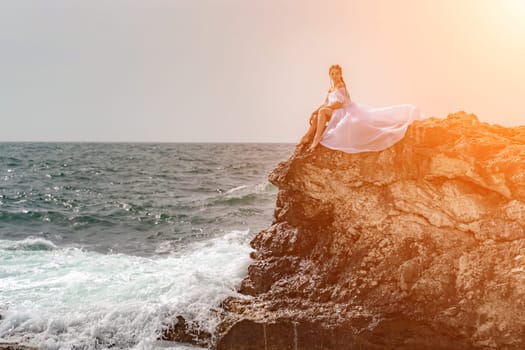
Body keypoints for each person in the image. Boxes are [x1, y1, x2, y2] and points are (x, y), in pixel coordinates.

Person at [299, 65, 423, 153]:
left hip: (343, 112)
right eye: (332, 73)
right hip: (333, 111)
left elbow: (340, 103)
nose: (334, 75)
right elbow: (324, 103)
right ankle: (306, 136)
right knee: (317, 115)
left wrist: (324, 109)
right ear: (329, 75)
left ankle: (316, 139)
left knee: (322, 112)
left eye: (337, 73)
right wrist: (313, 112)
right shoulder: (330, 89)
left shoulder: (341, 85)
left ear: (340, 74)